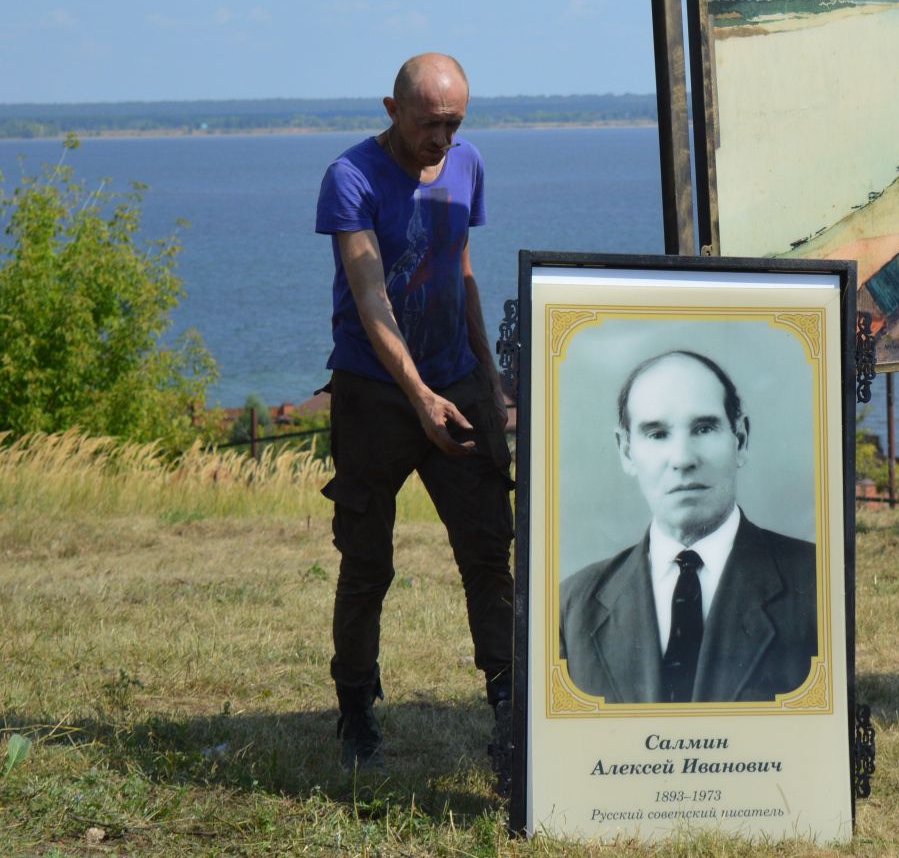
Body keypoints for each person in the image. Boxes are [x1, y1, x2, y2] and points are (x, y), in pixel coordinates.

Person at [315, 53, 513, 771]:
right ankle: (355, 708)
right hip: (374, 391)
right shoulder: (352, 178)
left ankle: (509, 709)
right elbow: (371, 298)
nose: (442, 139)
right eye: (430, 124)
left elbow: (458, 268)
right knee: (366, 561)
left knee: (490, 553)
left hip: (456, 381)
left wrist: (486, 378)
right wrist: (417, 395)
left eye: (454, 124)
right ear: (392, 109)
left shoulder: (468, 165)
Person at [558, 350, 818, 704]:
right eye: (657, 434)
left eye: (704, 428)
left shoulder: (818, 583)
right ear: (626, 451)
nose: (682, 459)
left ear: (739, 440)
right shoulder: (573, 606)